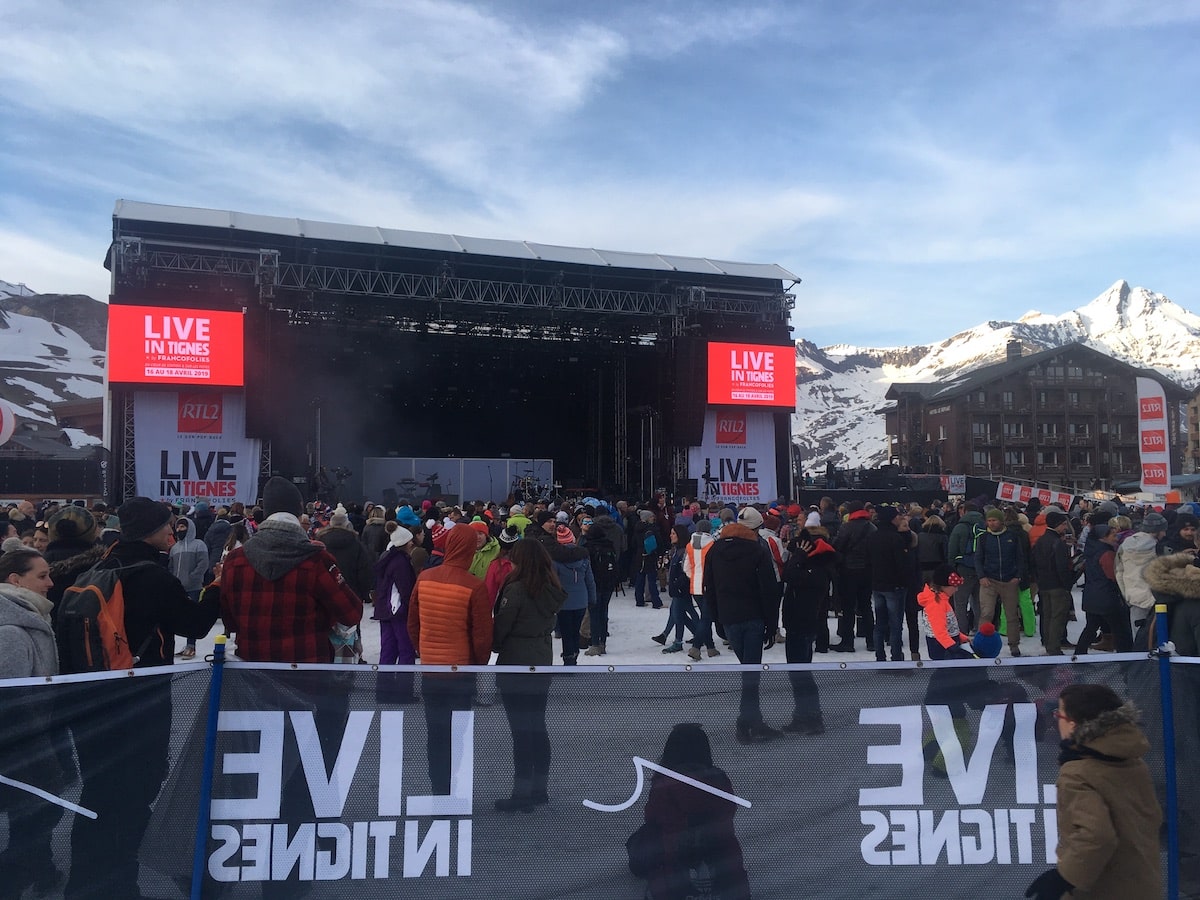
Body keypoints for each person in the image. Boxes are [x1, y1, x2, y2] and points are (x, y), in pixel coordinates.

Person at [65, 497, 221, 900]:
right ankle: (118, 883)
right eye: (167, 525)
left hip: (93, 696)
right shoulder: (152, 576)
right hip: (140, 699)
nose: (173, 531)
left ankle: (83, 882)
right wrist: (215, 589)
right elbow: (194, 624)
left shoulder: (95, 567)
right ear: (150, 532)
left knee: (98, 789)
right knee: (136, 790)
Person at [1024, 684, 1161, 900]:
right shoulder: (1132, 761)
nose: (1056, 720)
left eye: (1058, 714)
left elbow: (1096, 835)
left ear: (1074, 723)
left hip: (1101, 889)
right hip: (1143, 884)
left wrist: (1064, 879)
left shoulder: (1078, 773)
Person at [408, 525, 493, 794]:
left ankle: (439, 791)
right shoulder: (474, 586)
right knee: (458, 735)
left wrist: (424, 650)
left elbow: (412, 623)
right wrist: (478, 664)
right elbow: (481, 637)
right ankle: (456, 788)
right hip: (460, 673)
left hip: (432, 671)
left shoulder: (424, 578)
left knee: (436, 735)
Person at [0, 548, 62, 896]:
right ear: (15, 580)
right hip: (21, 750)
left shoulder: (29, 618)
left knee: (35, 817)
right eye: (42, 576)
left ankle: (38, 872)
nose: (51, 583)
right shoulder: (11, 630)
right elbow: (8, 700)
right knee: (35, 816)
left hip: (30, 745)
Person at [491, 539, 566, 812]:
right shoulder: (550, 587)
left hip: (516, 662)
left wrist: (495, 643)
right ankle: (539, 788)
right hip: (541, 659)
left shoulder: (517, 589)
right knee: (537, 726)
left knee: (520, 730)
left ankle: (521, 791)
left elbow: (502, 627)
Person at [639, 723, 751, 900]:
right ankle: (714, 879)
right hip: (718, 848)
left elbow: (652, 817)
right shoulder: (718, 777)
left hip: (677, 852)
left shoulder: (665, 782)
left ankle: (682, 883)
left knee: (645, 838)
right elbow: (729, 810)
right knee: (723, 837)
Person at [704, 506, 782, 744]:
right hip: (753, 617)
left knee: (749, 673)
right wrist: (772, 625)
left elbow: (709, 589)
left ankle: (750, 722)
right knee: (752, 674)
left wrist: (717, 620)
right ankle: (747, 723)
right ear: (755, 529)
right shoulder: (757, 551)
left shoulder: (715, 550)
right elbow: (768, 590)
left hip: (729, 618)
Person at [779, 528, 835, 733]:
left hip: (802, 624)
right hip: (799, 624)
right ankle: (803, 715)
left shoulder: (816, 570)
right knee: (798, 674)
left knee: (801, 675)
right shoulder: (813, 567)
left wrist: (799, 557)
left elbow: (789, 575)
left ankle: (812, 716)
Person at [976, 507, 1027, 656]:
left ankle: (1014, 644)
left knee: (1011, 614)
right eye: (989, 520)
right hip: (989, 580)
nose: (991, 523)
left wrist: (1018, 576)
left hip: (1009, 580)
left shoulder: (1012, 536)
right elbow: (978, 558)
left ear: (1001, 521)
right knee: (986, 613)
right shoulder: (984, 538)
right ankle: (981, 644)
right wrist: (981, 576)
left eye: (994, 520)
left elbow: (1020, 557)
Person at [865, 506, 910, 662]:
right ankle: (896, 657)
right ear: (892, 518)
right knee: (895, 624)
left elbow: (868, 561)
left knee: (880, 623)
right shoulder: (895, 538)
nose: (900, 518)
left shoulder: (872, 537)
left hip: (877, 585)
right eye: (897, 516)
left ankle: (880, 656)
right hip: (894, 586)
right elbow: (901, 564)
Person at [830, 501, 875, 652]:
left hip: (848, 571)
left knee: (848, 607)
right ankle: (871, 641)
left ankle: (848, 642)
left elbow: (838, 545)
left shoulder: (846, 527)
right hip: (867, 571)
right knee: (866, 606)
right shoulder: (872, 527)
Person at [1032, 511, 1076, 655]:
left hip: (1044, 584)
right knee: (1057, 617)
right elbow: (1061, 567)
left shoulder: (1041, 540)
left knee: (1047, 616)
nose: (1065, 527)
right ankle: (1054, 648)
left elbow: (1033, 562)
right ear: (1057, 525)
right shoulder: (1058, 543)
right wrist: (1067, 584)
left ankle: (1047, 643)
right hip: (1058, 585)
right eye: (1063, 524)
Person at [550, 524, 594, 664]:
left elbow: (553, 583)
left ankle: (568, 658)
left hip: (563, 602)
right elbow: (590, 580)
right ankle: (574, 654)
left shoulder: (555, 561)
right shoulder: (584, 558)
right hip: (581, 600)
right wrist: (592, 599)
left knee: (566, 632)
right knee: (576, 631)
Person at [169, 515, 210, 659]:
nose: (180, 529)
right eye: (178, 527)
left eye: (183, 526)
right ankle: (179, 645)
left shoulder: (199, 544)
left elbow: (203, 564)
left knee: (192, 617)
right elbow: (171, 566)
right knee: (176, 617)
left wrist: (193, 577)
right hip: (177, 588)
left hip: (194, 587)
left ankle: (191, 646)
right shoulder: (174, 547)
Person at [653, 525, 698, 653]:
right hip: (678, 588)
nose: (670, 535)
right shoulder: (677, 550)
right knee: (680, 613)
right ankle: (699, 634)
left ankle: (678, 641)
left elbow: (685, 571)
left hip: (680, 588)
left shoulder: (683, 551)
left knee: (678, 615)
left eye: (673, 533)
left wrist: (677, 584)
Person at [916, 564, 974, 660]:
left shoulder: (943, 600)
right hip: (942, 650)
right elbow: (940, 632)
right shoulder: (936, 605)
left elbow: (948, 625)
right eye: (954, 586)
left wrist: (960, 636)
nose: (956, 589)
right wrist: (953, 647)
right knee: (948, 673)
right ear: (943, 586)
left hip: (947, 645)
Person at [682, 519, 719, 661]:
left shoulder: (689, 545)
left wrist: (694, 577)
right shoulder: (712, 544)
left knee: (705, 617)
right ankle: (696, 647)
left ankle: (711, 647)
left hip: (695, 586)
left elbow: (686, 567)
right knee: (706, 618)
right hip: (709, 585)